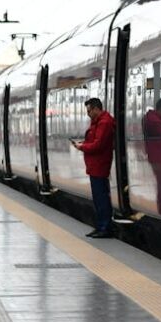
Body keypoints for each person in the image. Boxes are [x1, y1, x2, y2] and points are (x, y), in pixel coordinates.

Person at [72, 97, 115, 238]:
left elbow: (99, 145)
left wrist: (82, 146)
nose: (88, 114)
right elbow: (94, 141)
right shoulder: (97, 122)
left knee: (101, 198)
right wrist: (83, 143)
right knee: (98, 199)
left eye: (89, 111)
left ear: (97, 108)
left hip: (100, 165)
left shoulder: (104, 123)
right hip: (94, 165)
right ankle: (100, 226)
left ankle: (105, 227)